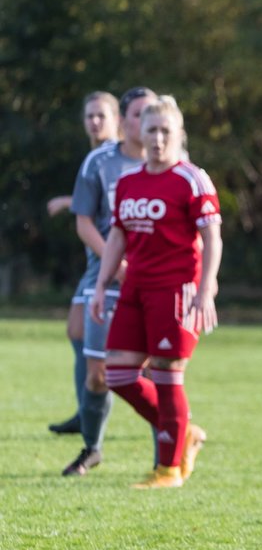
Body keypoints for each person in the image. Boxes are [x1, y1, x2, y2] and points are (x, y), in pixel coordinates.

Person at [90, 95, 221, 489]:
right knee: (119, 374)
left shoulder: (191, 178)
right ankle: (186, 433)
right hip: (134, 289)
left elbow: (211, 236)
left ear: (178, 134)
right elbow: (116, 236)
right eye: (152, 130)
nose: (159, 138)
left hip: (174, 291)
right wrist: (100, 286)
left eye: (166, 131)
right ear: (138, 133)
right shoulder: (127, 182)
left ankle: (168, 470)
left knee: (166, 375)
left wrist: (206, 289)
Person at [60, 88, 159, 475]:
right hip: (105, 277)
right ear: (125, 120)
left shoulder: (176, 166)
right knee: (98, 374)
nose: (148, 124)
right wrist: (114, 263)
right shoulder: (99, 163)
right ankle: (92, 447)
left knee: (156, 371)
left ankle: (165, 460)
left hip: (155, 283)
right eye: (139, 115)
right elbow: (84, 222)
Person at [48, 91, 122, 438]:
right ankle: (84, 411)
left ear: (117, 120)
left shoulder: (119, 157)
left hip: (111, 262)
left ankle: (173, 414)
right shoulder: (95, 157)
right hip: (96, 262)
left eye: (101, 116)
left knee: (134, 355)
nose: (94, 122)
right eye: (89, 116)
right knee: (77, 331)